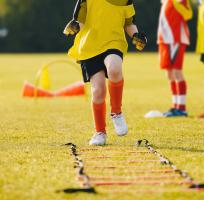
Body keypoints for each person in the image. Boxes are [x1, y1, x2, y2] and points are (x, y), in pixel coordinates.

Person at [63, 0, 147, 145]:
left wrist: (136, 35)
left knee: (114, 69)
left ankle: (116, 112)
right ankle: (100, 132)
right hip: (89, 46)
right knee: (98, 91)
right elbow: (80, 20)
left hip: (114, 42)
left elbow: (129, 23)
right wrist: (75, 26)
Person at [157, 0, 193, 117]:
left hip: (175, 39)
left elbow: (188, 15)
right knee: (169, 73)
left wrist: (177, 4)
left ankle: (181, 108)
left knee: (177, 72)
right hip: (165, 40)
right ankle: (175, 106)